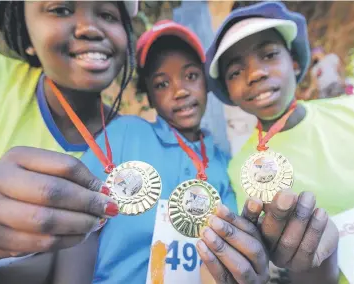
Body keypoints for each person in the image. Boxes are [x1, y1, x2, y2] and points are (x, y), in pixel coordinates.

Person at [205, 2, 354, 284]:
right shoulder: (240, 171)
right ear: (228, 90)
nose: (255, 74)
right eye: (235, 72)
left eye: (269, 54)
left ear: (296, 61)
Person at [80, 20, 271, 284]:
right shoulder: (124, 135)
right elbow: (76, 218)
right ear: (148, 95)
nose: (179, 91)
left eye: (191, 76)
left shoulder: (224, 164)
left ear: (206, 82)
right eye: (161, 84)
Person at [0, 1, 137, 283]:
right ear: (26, 36)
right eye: (61, 9)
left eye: (107, 14)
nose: (90, 28)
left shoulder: (137, 140)